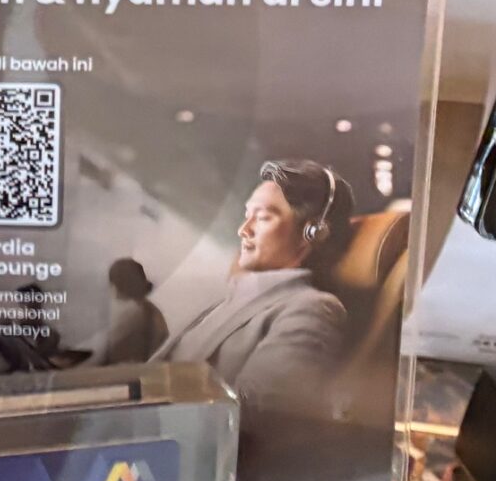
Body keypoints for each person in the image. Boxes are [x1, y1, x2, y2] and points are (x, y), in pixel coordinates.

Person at [149, 160, 354, 411]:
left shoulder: (313, 309)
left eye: (263, 217)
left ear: (313, 232)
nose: (243, 230)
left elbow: (261, 411)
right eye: (247, 216)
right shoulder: (229, 300)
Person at [99, 256, 168, 364]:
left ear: (118, 285)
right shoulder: (146, 308)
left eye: (112, 283)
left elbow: (105, 349)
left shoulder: (134, 313)